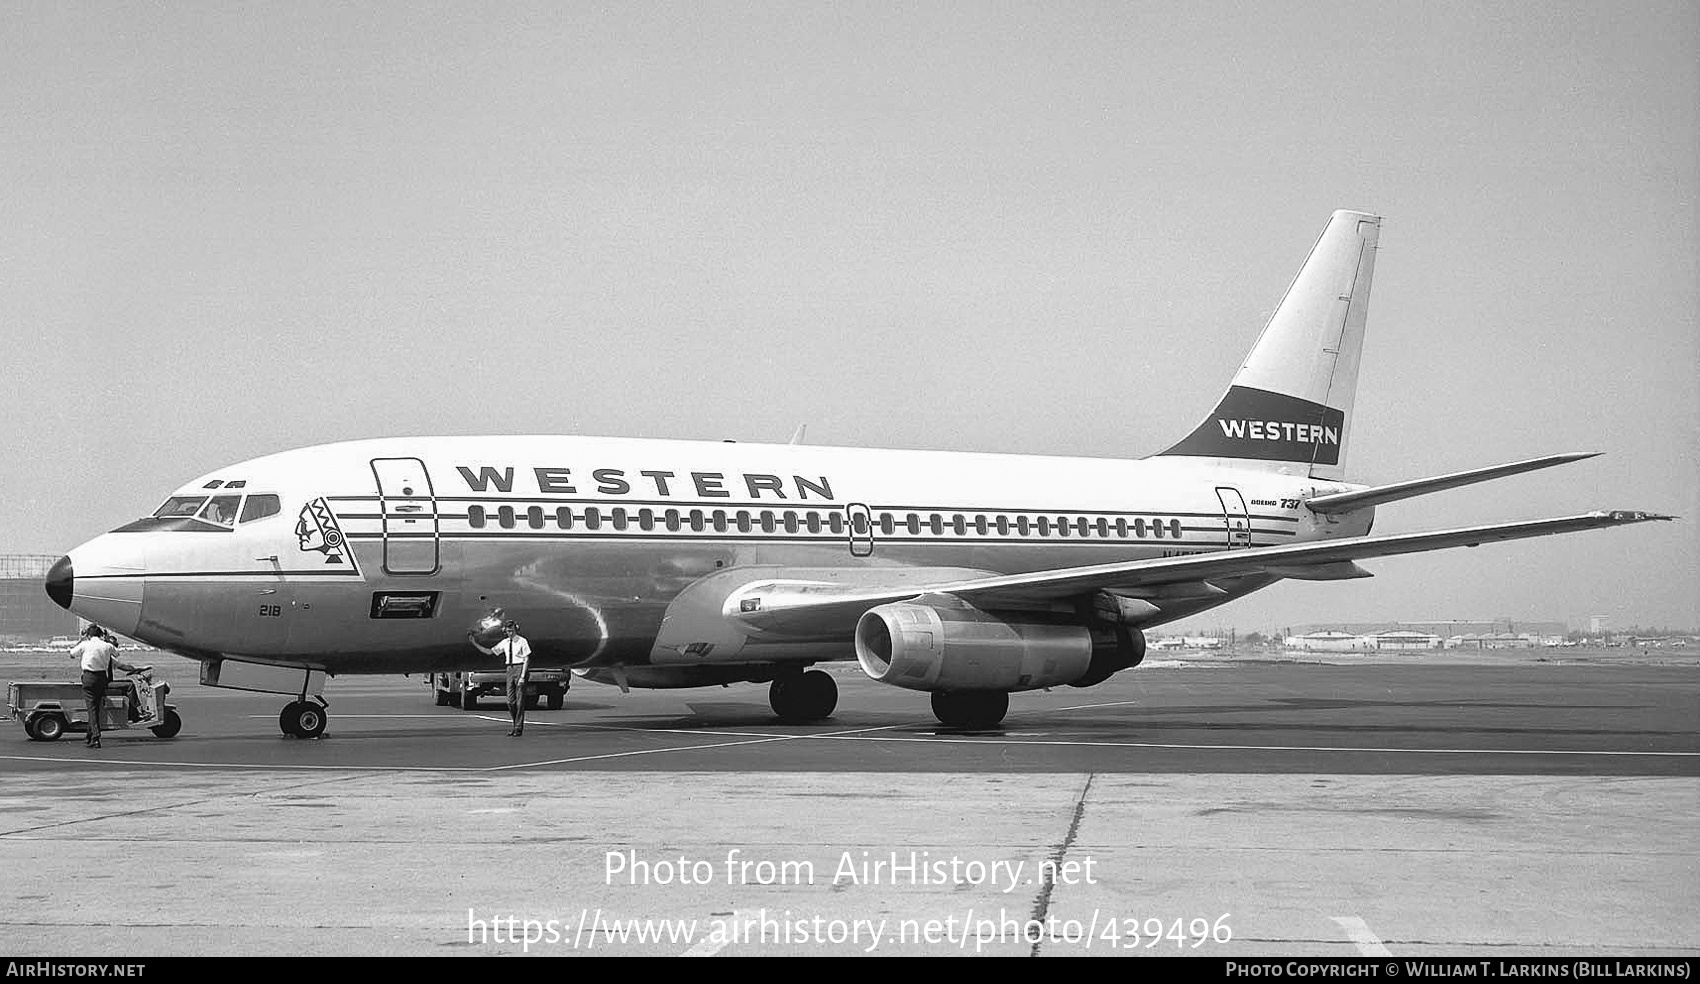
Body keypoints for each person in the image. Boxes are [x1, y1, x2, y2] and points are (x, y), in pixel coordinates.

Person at [69, 624, 148, 748]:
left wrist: (82, 638)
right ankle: (91, 736)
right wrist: (105, 641)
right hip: (102, 678)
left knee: (92, 708)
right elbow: (117, 654)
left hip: (89, 678)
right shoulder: (107, 646)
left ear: (89, 635)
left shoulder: (85, 644)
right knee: (96, 708)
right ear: (101, 635)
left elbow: (72, 654)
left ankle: (94, 737)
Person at [470, 620, 531, 736]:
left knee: (520, 702)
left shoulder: (522, 641)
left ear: (516, 629)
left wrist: (523, 676)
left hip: (520, 668)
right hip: (509, 669)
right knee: (510, 702)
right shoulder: (505, 642)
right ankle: (515, 724)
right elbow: (489, 652)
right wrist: (474, 643)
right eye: (508, 631)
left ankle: (518, 728)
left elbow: (527, 659)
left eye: (512, 631)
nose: (510, 633)